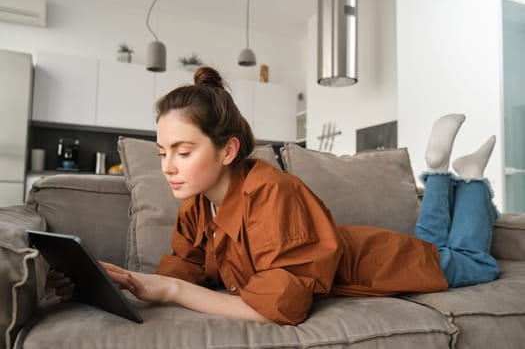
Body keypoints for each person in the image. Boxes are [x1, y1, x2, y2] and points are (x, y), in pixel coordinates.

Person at [56, 66, 500, 325]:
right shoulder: (196, 205)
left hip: (383, 261)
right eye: (163, 152)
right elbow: (186, 271)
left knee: (472, 262)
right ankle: (440, 171)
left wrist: (170, 290)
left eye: (183, 151)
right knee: (436, 244)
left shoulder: (272, 192)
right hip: (367, 246)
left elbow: (280, 308)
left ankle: (471, 178)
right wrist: (126, 283)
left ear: (227, 149)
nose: (168, 166)